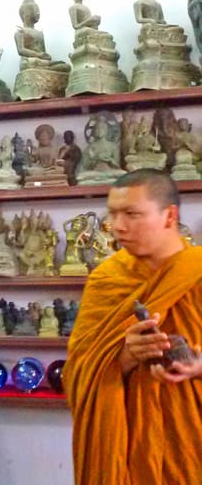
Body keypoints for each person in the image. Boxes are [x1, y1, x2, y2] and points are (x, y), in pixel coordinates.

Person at [64, 169, 202, 485]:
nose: (117, 226)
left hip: (192, 445)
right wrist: (125, 356)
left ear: (170, 216)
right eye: (112, 213)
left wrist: (198, 365)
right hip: (128, 450)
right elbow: (78, 374)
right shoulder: (107, 281)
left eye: (132, 214)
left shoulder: (198, 272)